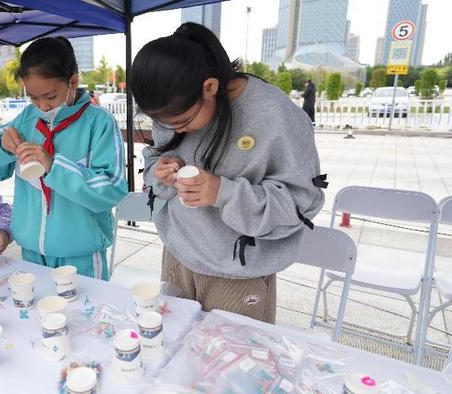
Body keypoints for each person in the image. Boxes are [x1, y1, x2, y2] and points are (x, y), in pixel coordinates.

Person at [130, 22, 325, 323]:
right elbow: (156, 155)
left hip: (237, 273)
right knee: (174, 358)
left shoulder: (273, 114)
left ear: (210, 87)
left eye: (182, 121)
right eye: (163, 123)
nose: (173, 130)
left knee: (234, 365)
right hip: (178, 256)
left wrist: (223, 192)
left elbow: (301, 202)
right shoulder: (173, 104)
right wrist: (159, 171)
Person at [0, 36, 128, 280]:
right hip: (31, 254)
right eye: (33, 97)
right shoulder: (27, 119)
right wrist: (2, 145)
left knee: (84, 316)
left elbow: (112, 189)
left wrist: (53, 165)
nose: (43, 106)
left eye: (50, 96)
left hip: (80, 256)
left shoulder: (99, 123)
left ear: (73, 82)